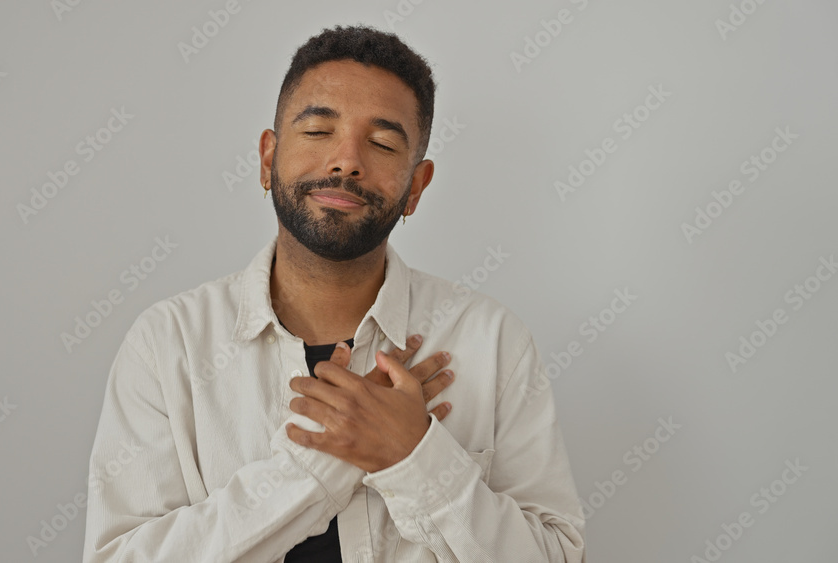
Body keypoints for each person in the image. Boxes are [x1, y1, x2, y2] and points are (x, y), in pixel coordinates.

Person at [83, 24, 586, 562]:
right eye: (319, 132)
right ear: (266, 158)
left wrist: (417, 456)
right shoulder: (168, 344)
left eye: (383, 143)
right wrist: (330, 459)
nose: (346, 161)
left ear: (416, 187)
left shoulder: (493, 341)